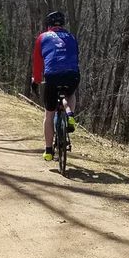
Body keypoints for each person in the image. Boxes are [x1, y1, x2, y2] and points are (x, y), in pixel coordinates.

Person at [30, 10, 79, 161]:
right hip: (72, 74)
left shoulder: (42, 37)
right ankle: (70, 114)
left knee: (49, 115)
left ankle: (48, 150)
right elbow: (75, 56)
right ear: (63, 24)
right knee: (70, 94)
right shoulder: (72, 37)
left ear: (48, 25)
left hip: (52, 76)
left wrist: (36, 80)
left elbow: (38, 63)